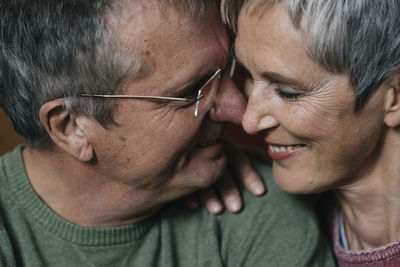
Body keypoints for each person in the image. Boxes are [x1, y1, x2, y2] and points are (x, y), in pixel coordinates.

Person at [0, 0, 335, 266]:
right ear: (72, 127)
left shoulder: (262, 212)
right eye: (192, 92)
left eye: (228, 68)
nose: (241, 112)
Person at [221, 0, 400, 266]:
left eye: (288, 92)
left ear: (394, 99)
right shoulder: (266, 214)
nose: (250, 121)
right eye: (247, 74)